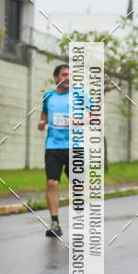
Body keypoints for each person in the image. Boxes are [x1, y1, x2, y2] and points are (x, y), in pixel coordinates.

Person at [37, 64, 92, 237]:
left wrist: (81, 121)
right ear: (56, 78)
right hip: (53, 146)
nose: (68, 77)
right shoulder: (48, 97)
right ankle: (55, 223)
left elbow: (95, 114)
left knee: (77, 186)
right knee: (52, 183)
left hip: (75, 146)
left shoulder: (80, 94)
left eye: (70, 74)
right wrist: (41, 123)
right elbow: (44, 116)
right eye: (64, 74)